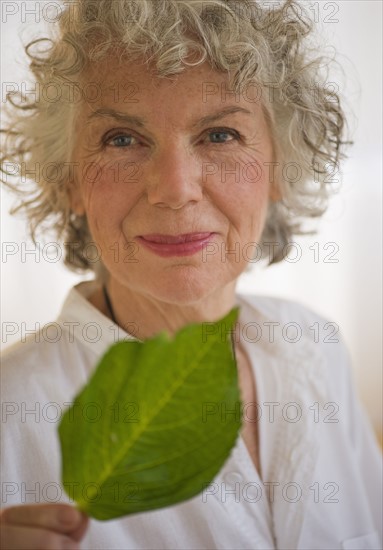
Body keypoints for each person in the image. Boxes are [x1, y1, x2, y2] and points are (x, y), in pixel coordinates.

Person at [1, 0, 382, 548]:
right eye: (122, 139)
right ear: (69, 182)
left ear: (280, 163)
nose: (176, 188)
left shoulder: (315, 348)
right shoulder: (10, 414)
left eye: (220, 135)